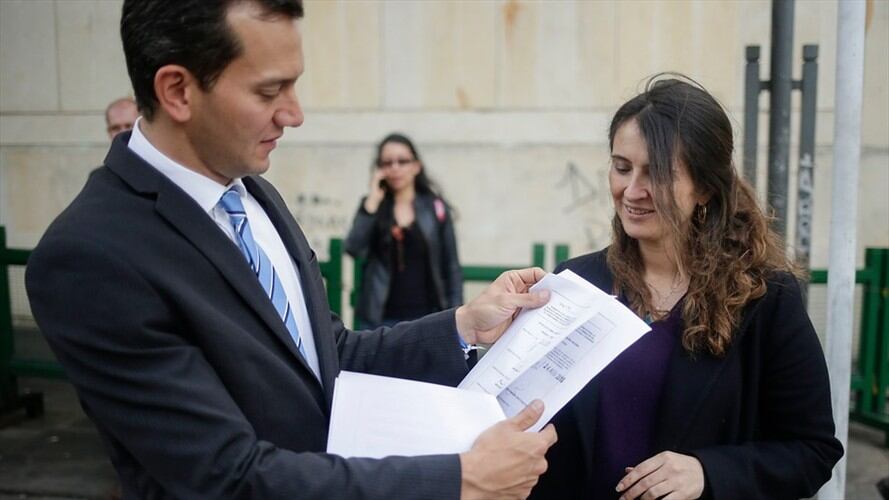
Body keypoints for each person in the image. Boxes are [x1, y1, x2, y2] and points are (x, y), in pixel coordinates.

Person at [24, 1, 558, 499]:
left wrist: (465, 325)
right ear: (178, 91)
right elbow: (226, 476)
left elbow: (331, 359)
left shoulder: (253, 192)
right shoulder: (89, 257)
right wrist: (460, 479)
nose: (294, 114)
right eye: (268, 91)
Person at [530, 76, 843, 500]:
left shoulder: (766, 297)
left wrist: (707, 473)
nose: (632, 191)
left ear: (706, 188)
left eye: (657, 174)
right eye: (622, 167)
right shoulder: (578, 283)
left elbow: (812, 450)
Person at [345, 133, 463, 329]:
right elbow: (353, 248)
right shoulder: (373, 206)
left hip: (428, 318)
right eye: (387, 163)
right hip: (380, 321)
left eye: (402, 161)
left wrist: (456, 315)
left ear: (416, 166)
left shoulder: (435, 208)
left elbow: (451, 265)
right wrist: (372, 201)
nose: (395, 168)